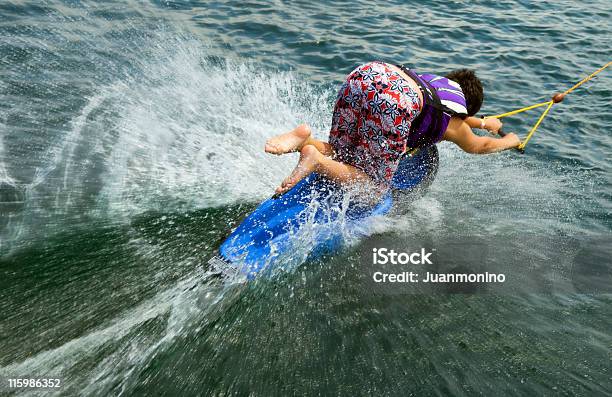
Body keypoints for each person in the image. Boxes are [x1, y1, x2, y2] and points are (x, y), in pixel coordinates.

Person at [265, 61, 521, 195]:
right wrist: (510, 139)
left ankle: (304, 141)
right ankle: (316, 161)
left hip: (367, 75)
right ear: (466, 110)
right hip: (395, 102)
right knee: (373, 189)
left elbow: (450, 116)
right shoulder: (453, 119)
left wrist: (485, 123)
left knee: (344, 152)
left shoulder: (437, 87)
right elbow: (479, 145)